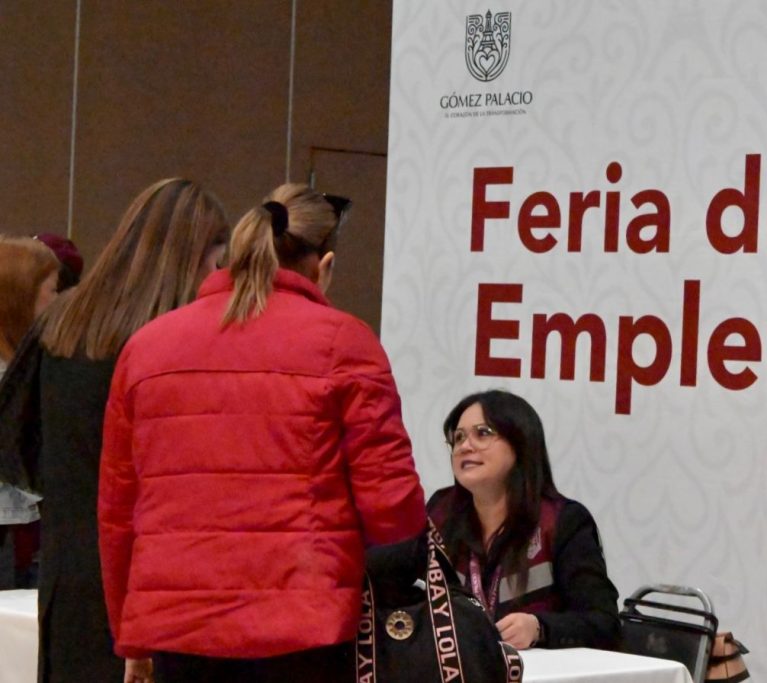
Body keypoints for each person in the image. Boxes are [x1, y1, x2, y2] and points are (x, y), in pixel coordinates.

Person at [98, 183, 425, 683]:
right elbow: (392, 508)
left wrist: (131, 635)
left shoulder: (146, 347)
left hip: (179, 630)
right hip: (306, 628)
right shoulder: (345, 342)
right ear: (325, 265)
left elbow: (118, 512)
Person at [0, 178, 229, 683]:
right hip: (154, 588)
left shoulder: (62, 323)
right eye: (217, 262)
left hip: (69, 580)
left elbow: (14, 438)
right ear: (195, 258)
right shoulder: (179, 346)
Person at [428, 389, 620, 651]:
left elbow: (604, 623)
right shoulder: (440, 512)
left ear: (520, 444)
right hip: (459, 664)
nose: (465, 446)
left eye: (482, 433)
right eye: (458, 437)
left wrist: (539, 628)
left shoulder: (561, 521)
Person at [0, 236, 59, 588]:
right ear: (21, 298)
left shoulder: (23, 366)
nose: (58, 302)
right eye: (52, 290)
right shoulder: (11, 378)